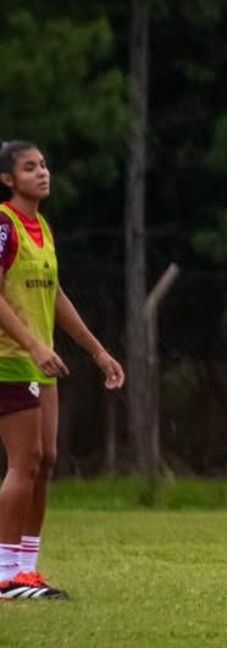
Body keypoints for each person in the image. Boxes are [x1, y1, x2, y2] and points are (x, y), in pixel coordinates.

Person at [0, 141, 124, 600]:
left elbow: (54, 295)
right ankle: (5, 574)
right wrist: (32, 344)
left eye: (45, 165)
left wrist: (97, 351)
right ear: (8, 180)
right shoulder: (3, 224)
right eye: (29, 168)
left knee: (46, 461)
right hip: (11, 360)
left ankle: (27, 571)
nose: (43, 173)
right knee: (24, 463)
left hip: (41, 360)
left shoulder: (41, 227)